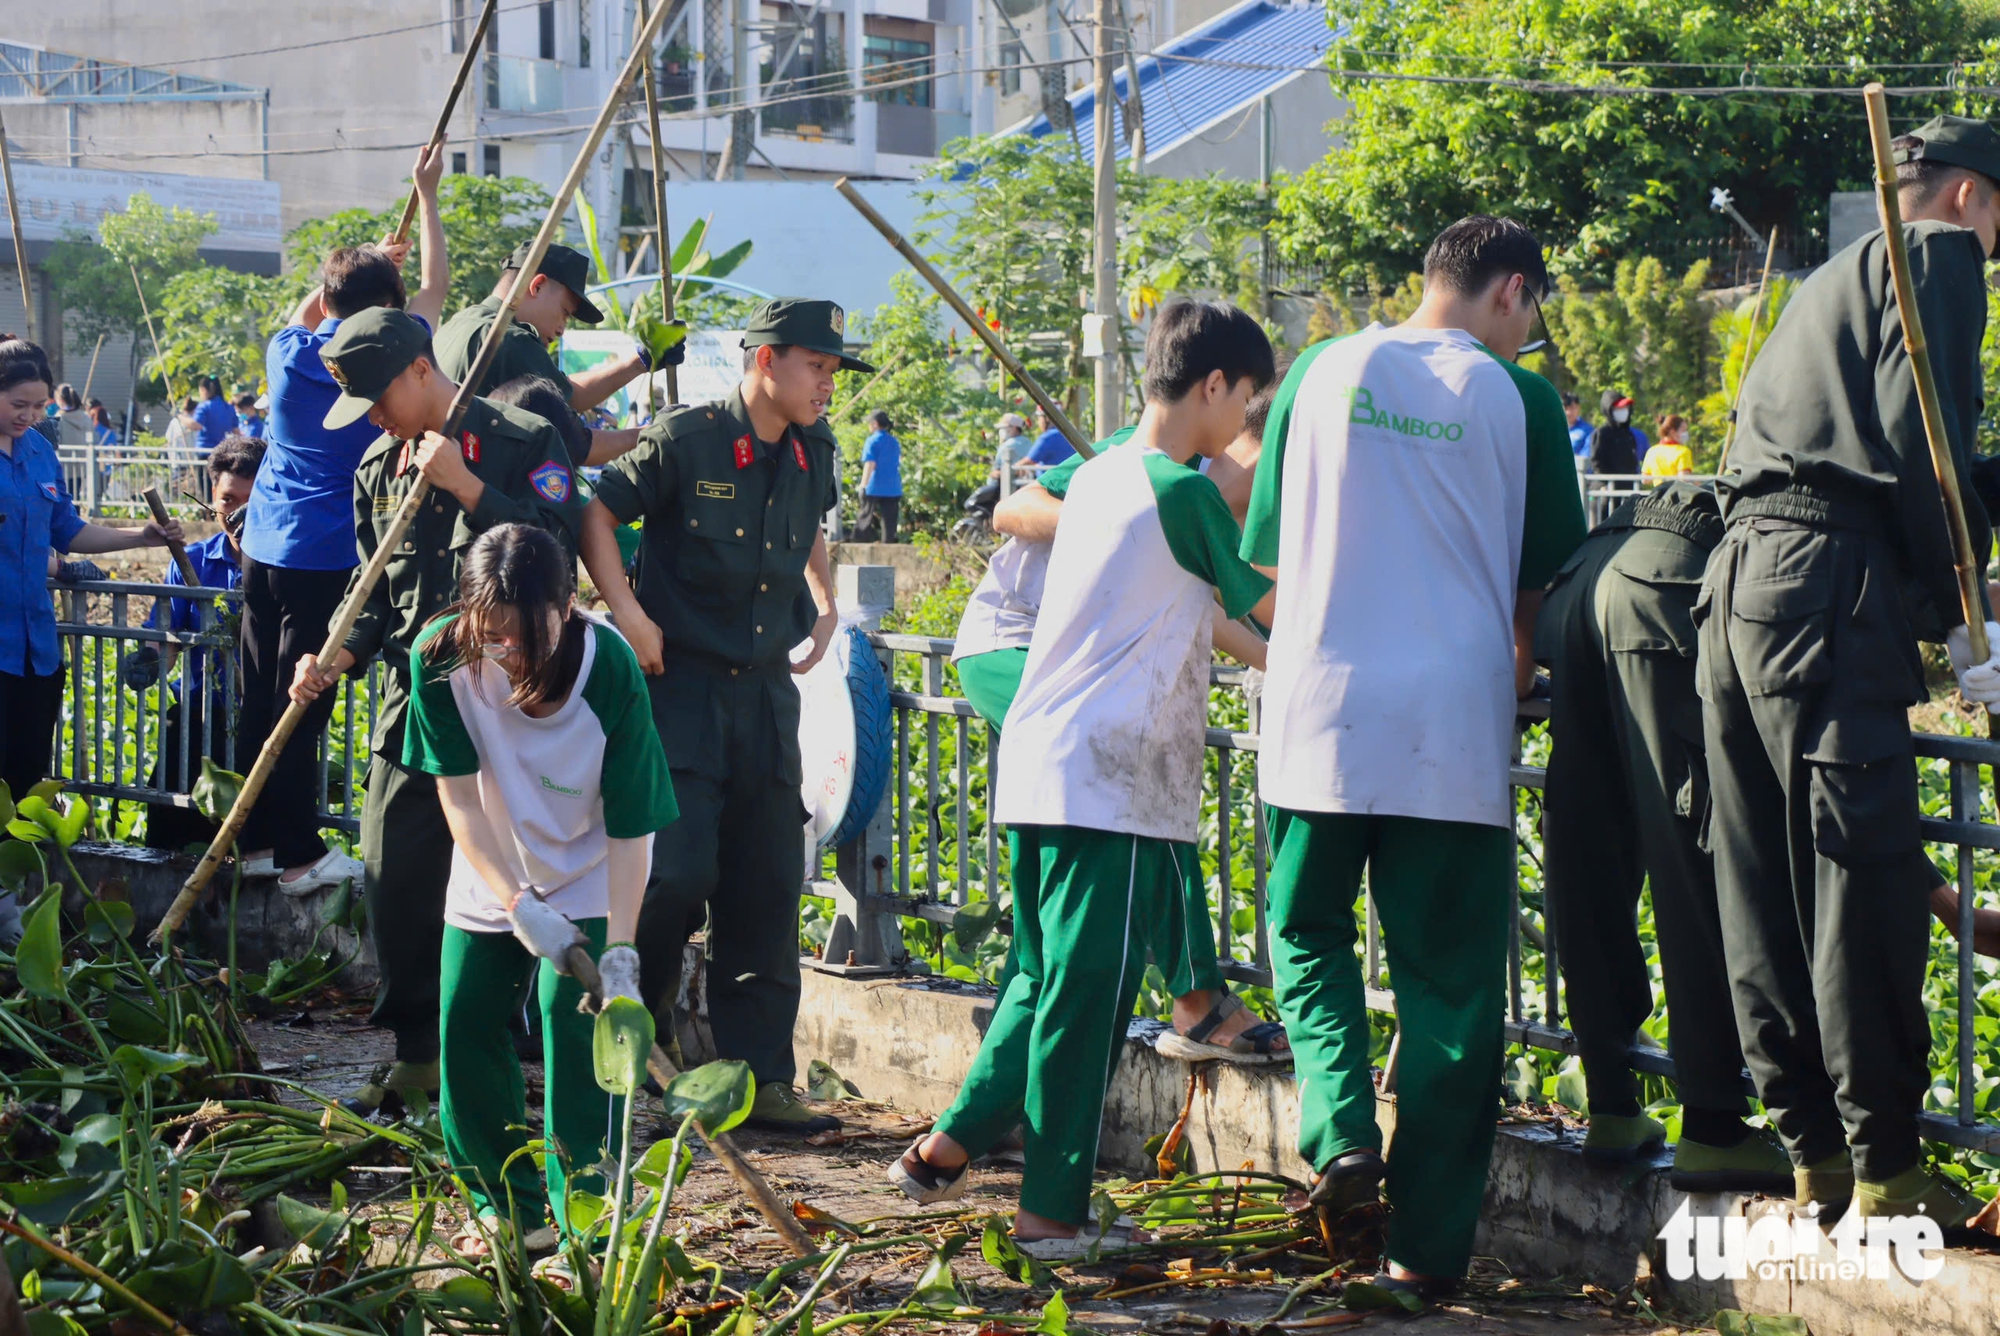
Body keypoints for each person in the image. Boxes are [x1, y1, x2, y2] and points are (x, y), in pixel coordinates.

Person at [1243, 217, 1586, 1297]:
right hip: (1451, 724)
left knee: (1302, 930)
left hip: (1321, 709)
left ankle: (1340, 1127)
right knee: (1446, 994)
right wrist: (1516, 673)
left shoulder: (1317, 367)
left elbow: (1263, 556)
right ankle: (1422, 1257)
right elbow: (1540, 584)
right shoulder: (1517, 398)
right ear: (1511, 294)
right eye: (1528, 313)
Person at [891, 302, 1278, 1256]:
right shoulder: (1183, 496)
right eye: (1247, 406)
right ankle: (1050, 1216)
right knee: (1088, 1002)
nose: (1242, 432)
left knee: (1041, 979)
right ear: (1214, 384)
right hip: (1113, 783)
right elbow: (1274, 607)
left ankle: (955, 1148)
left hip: (1043, 764)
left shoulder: (1104, 478)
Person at [1699, 113, 2000, 1227]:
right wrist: (1959, 604)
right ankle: (1885, 1173)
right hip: (1825, 590)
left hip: (1738, 586)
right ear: (1970, 196)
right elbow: (1921, 444)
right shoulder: (1936, 254)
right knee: (1855, 868)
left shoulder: (1832, 275)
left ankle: (1813, 1156)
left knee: (1760, 872)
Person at [287, 305, 587, 1118]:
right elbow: (377, 599)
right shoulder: (376, 471)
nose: (374, 418)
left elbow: (560, 548)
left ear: (423, 368)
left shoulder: (524, 439)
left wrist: (469, 487)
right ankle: (420, 1048)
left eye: (379, 397)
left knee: (532, 879)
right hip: (412, 703)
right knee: (394, 873)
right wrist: (337, 652)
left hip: (513, 701)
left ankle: (518, 1048)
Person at [579, 298, 851, 1136]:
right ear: (765, 361)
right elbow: (595, 508)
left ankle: (762, 1079)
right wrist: (624, 609)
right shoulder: (686, 437)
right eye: (816, 368)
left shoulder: (815, 448)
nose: (826, 387)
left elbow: (809, 521)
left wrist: (825, 597)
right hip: (680, 687)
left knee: (768, 884)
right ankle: (643, 1044)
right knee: (675, 875)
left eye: (834, 373)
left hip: (766, 694)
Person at [962, 390, 1287, 1063]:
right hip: (1018, 644)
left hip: (1077, 670)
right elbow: (1011, 509)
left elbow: (1228, 619)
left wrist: (1293, 669)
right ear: (1239, 437)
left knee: (1058, 930)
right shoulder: (1145, 464)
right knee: (1145, 801)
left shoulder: (1196, 506)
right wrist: (1107, 524)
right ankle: (1198, 1001)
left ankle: (996, 1095)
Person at [402, 522, 675, 1244]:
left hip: (592, 870)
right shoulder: (439, 658)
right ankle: (512, 1214)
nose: (510, 653)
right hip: (495, 861)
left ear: (570, 605)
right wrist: (517, 902)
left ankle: (583, 1212)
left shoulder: (608, 667)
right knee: (464, 1024)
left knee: (579, 1031)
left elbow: (631, 828)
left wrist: (619, 955)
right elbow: (459, 800)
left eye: (529, 637)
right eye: (494, 635)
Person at [1535, 479, 1792, 1193]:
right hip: (1662, 578)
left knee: (1585, 842)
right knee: (1692, 846)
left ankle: (1613, 1105)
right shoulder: (1896, 503)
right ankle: (1712, 1122)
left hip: (1587, 577)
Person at [240, 143, 449, 899]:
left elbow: (316, 309)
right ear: (384, 315)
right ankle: (298, 858)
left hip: (262, 547)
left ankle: (257, 842)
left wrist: (354, 276)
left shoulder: (286, 350)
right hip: (321, 552)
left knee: (262, 694)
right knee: (306, 701)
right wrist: (426, 195)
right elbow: (435, 287)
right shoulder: (381, 364)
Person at [0, 335, 185, 805]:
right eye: (18, 404)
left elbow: (67, 528)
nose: (29, 416)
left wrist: (140, 538)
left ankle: (20, 877)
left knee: (25, 779)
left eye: (39, 406)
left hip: (35, 648)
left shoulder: (40, 452)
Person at [434, 242, 675, 466]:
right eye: (564, 312)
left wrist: (642, 360)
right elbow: (576, 445)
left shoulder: (458, 324)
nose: (561, 329)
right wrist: (657, 434)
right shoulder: (508, 339)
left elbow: (565, 394)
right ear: (537, 285)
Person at [135, 433, 261, 852]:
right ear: (212, 497)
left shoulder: (292, 568)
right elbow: (168, 635)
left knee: (254, 837)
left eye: (251, 501)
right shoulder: (193, 563)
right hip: (199, 716)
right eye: (228, 501)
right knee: (170, 821)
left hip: (263, 719)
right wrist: (150, 659)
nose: (238, 512)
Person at [856, 410, 903, 543]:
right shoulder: (894, 441)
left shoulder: (872, 441)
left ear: (875, 424)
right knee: (890, 521)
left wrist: (863, 485)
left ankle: (858, 543)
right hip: (893, 487)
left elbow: (870, 464)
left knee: (865, 516)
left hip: (874, 485)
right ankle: (888, 544)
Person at [1587, 394, 1646, 477]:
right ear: (1609, 411)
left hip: (1630, 485)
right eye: (1619, 408)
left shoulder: (1628, 434)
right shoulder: (1601, 433)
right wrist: (1603, 483)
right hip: (1608, 486)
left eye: (1625, 408)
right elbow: (1596, 462)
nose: (1624, 411)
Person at [1640, 414, 1694, 479]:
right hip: (1676, 489)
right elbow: (1684, 479)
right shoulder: (1683, 451)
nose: (1686, 433)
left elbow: (1645, 480)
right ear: (1673, 432)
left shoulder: (1652, 451)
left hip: (1658, 488)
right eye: (1684, 430)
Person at [194, 376, 237, 454]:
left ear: (203, 390)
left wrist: (179, 416)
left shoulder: (204, 406)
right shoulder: (229, 407)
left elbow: (196, 425)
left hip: (205, 451)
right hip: (222, 451)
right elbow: (236, 431)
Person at [1562, 391, 1592, 459]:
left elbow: (1585, 460)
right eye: (1566, 408)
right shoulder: (1554, 429)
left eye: (1572, 408)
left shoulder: (1587, 430)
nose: (1569, 412)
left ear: (1578, 407)